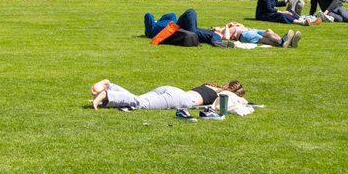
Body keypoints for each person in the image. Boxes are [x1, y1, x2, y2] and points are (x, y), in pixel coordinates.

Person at [89, 78, 246, 111]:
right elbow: (229, 103)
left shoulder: (211, 85)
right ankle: (106, 95)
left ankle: (111, 87)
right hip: (182, 99)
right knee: (140, 104)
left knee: (139, 99)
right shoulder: (225, 93)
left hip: (171, 89)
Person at [211, 21, 298, 48]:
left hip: (250, 30)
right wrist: (226, 26)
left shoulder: (225, 28)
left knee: (268, 31)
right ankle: (283, 41)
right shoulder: (218, 33)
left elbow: (242, 26)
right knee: (264, 39)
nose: (217, 27)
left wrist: (236, 24)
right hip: (243, 35)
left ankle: (284, 41)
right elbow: (226, 38)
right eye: (215, 27)